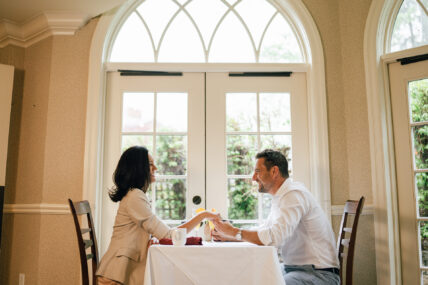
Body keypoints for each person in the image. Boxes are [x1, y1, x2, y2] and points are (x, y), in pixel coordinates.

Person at [212, 149, 340, 285]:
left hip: (319, 275)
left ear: (274, 171)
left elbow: (275, 237)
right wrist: (230, 236)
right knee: (249, 276)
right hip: (295, 270)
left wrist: (234, 233)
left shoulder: (293, 195)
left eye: (257, 172)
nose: (253, 178)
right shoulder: (281, 198)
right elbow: (265, 232)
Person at [96, 146, 218, 285]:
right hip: (116, 277)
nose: (156, 168)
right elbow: (169, 235)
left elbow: (148, 231)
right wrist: (202, 215)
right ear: (138, 168)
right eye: (150, 164)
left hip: (121, 272)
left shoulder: (134, 195)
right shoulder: (135, 197)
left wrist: (151, 237)